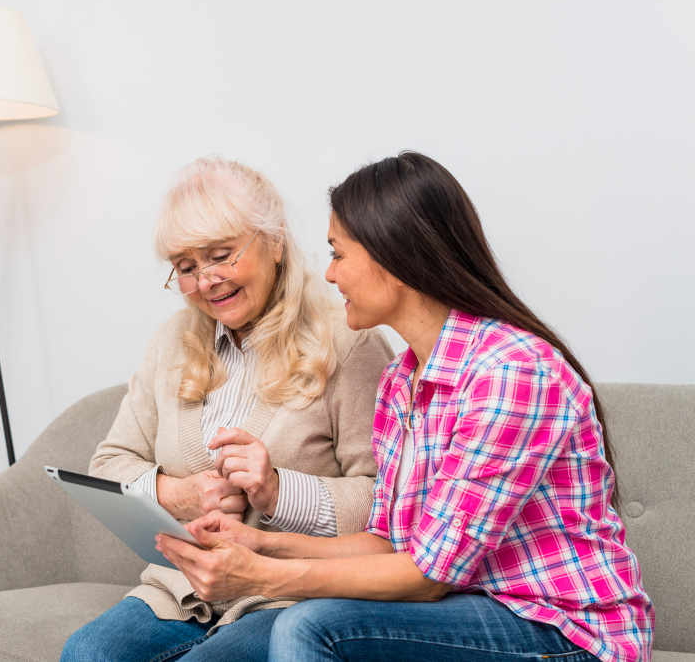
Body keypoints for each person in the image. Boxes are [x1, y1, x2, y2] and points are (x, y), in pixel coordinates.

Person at [156, 152, 654, 662]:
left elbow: (428, 576)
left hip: (558, 630)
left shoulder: (509, 373)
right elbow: (391, 544)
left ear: (395, 257)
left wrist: (262, 575)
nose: (328, 275)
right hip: (466, 610)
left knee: (313, 626)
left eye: (338, 254)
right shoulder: (402, 379)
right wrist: (258, 545)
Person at [61, 156, 395, 661]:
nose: (206, 281)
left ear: (275, 242)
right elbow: (109, 465)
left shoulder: (350, 343)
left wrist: (278, 491)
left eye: (221, 255)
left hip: (291, 597)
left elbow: (387, 509)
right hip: (183, 591)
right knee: (87, 654)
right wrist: (179, 493)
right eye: (186, 268)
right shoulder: (172, 341)